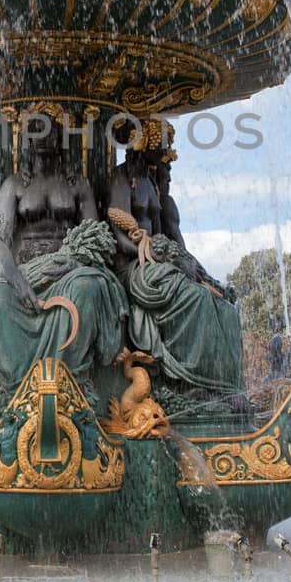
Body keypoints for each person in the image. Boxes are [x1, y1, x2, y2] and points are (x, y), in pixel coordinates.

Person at [0, 109, 126, 406]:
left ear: (60, 138)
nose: (41, 137)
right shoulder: (14, 185)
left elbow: (98, 238)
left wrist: (72, 262)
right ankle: (18, 389)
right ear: (26, 141)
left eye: (47, 130)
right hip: (23, 272)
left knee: (90, 287)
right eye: (34, 130)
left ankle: (70, 382)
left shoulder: (77, 185)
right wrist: (18, 282)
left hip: (69, 269)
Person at [106, 120, 242, 397]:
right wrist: (154, 254)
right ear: (144, 144)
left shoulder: (153, 186)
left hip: (157, 264)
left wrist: (200, 272)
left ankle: (220, 386)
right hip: (132, 268)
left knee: (221, 304)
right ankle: (189, 378)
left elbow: (171, 241)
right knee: (196, 299)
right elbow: (117, 237)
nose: (170, 152)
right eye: (164, 145)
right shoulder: (121, 178)